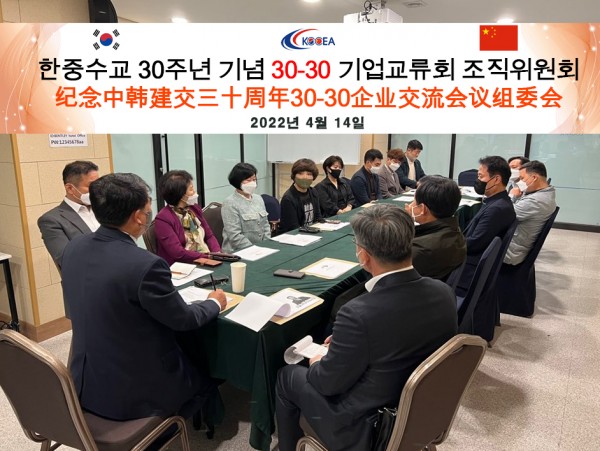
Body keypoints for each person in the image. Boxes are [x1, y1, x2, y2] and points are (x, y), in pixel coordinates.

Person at [275, 204, 458, 451]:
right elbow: (397, 336)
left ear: (363, 255)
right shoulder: (444, 292)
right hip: (421, 411)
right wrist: (346, 343)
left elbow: (327, 383)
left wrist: (317, 361)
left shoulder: (357, 313)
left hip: (370, 426)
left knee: (287, 376)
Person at [61, 173, 227, 421]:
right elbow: (183, 320)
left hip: (84, 379)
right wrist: (214, 302)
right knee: (206, 365)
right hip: (135, 390)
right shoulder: (146, 264)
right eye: (148, 210)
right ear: (138, 217)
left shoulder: (74, 247)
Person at [457, 156, 516, 295]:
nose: (477, 180)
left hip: (468, 271)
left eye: (480, 176)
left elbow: (474, 243)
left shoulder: (497, 209)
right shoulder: (498, 201)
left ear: (496, 179)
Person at [38, 160, 100, 271]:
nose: (98, 190)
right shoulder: (52, 220)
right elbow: (67, 260)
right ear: (70, 188)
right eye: (91, 186)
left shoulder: (105, 207)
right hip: (89, 277)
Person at [405, 175, 467, 280]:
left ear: (423, 209)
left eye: (414, 200)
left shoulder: (419, 250)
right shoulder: (454, 230)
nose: (410, 205)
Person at [155, 170, 221, 266]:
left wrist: (218, 253)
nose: (194, 192)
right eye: (191, 189)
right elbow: (178, 253)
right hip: (184, 266)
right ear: (181, 195)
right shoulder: (163, 219)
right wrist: (208, 257)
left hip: (207, 260)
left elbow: (209, 235)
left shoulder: (193, 208)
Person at [504, 161, 556, 265]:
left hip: (510, 251)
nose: (520, 182)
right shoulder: (545, 192)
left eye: (522, 178)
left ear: (534, 178)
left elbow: (504, 215)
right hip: (515, 243)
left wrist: (511, 196)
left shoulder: (536, 201)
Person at [221, 163, 271, 253]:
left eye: (254, 180)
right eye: (248, 180)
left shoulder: (258, 199)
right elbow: (235, 235)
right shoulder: (230, 203)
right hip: (237, 252)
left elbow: (266, 225)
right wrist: (254, 250)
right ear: (238, 181)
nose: (252, 183)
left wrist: (266, 245)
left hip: (261, 249)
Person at [279, 158, 323, 233]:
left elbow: (318, 218)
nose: (305, 177)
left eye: (309, 174)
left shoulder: (313, 192)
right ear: (294, 176)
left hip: (312, 233)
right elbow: (293, 228)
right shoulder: (288, 198)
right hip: (294, 236)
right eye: (300, 173)